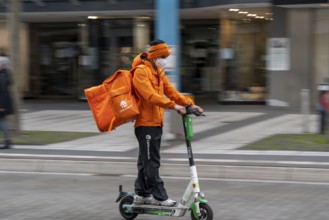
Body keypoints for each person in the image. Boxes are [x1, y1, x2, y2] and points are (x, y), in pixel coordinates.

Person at [131, 39, 203, 207]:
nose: (165, 59)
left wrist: (189, 104)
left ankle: (141, 193)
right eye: (163, 56)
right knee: (151, 161)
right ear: (154, 56)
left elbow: (171, 92)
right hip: (145, 123)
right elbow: (150, 96)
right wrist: (174, 106)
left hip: (156, 123)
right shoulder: (141, 72)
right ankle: (159, 196)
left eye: (166, 56)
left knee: (145, 160)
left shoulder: (159, 72)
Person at [0, 57, 13, 149]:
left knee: (2, 123)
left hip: (2, 103)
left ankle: (8, 141)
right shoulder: (4, 74)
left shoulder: (3, 75)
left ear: (3, 64)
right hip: (3, 103)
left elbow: (3, 92)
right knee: (2, 122)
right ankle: (8, 141)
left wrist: (2, 105)